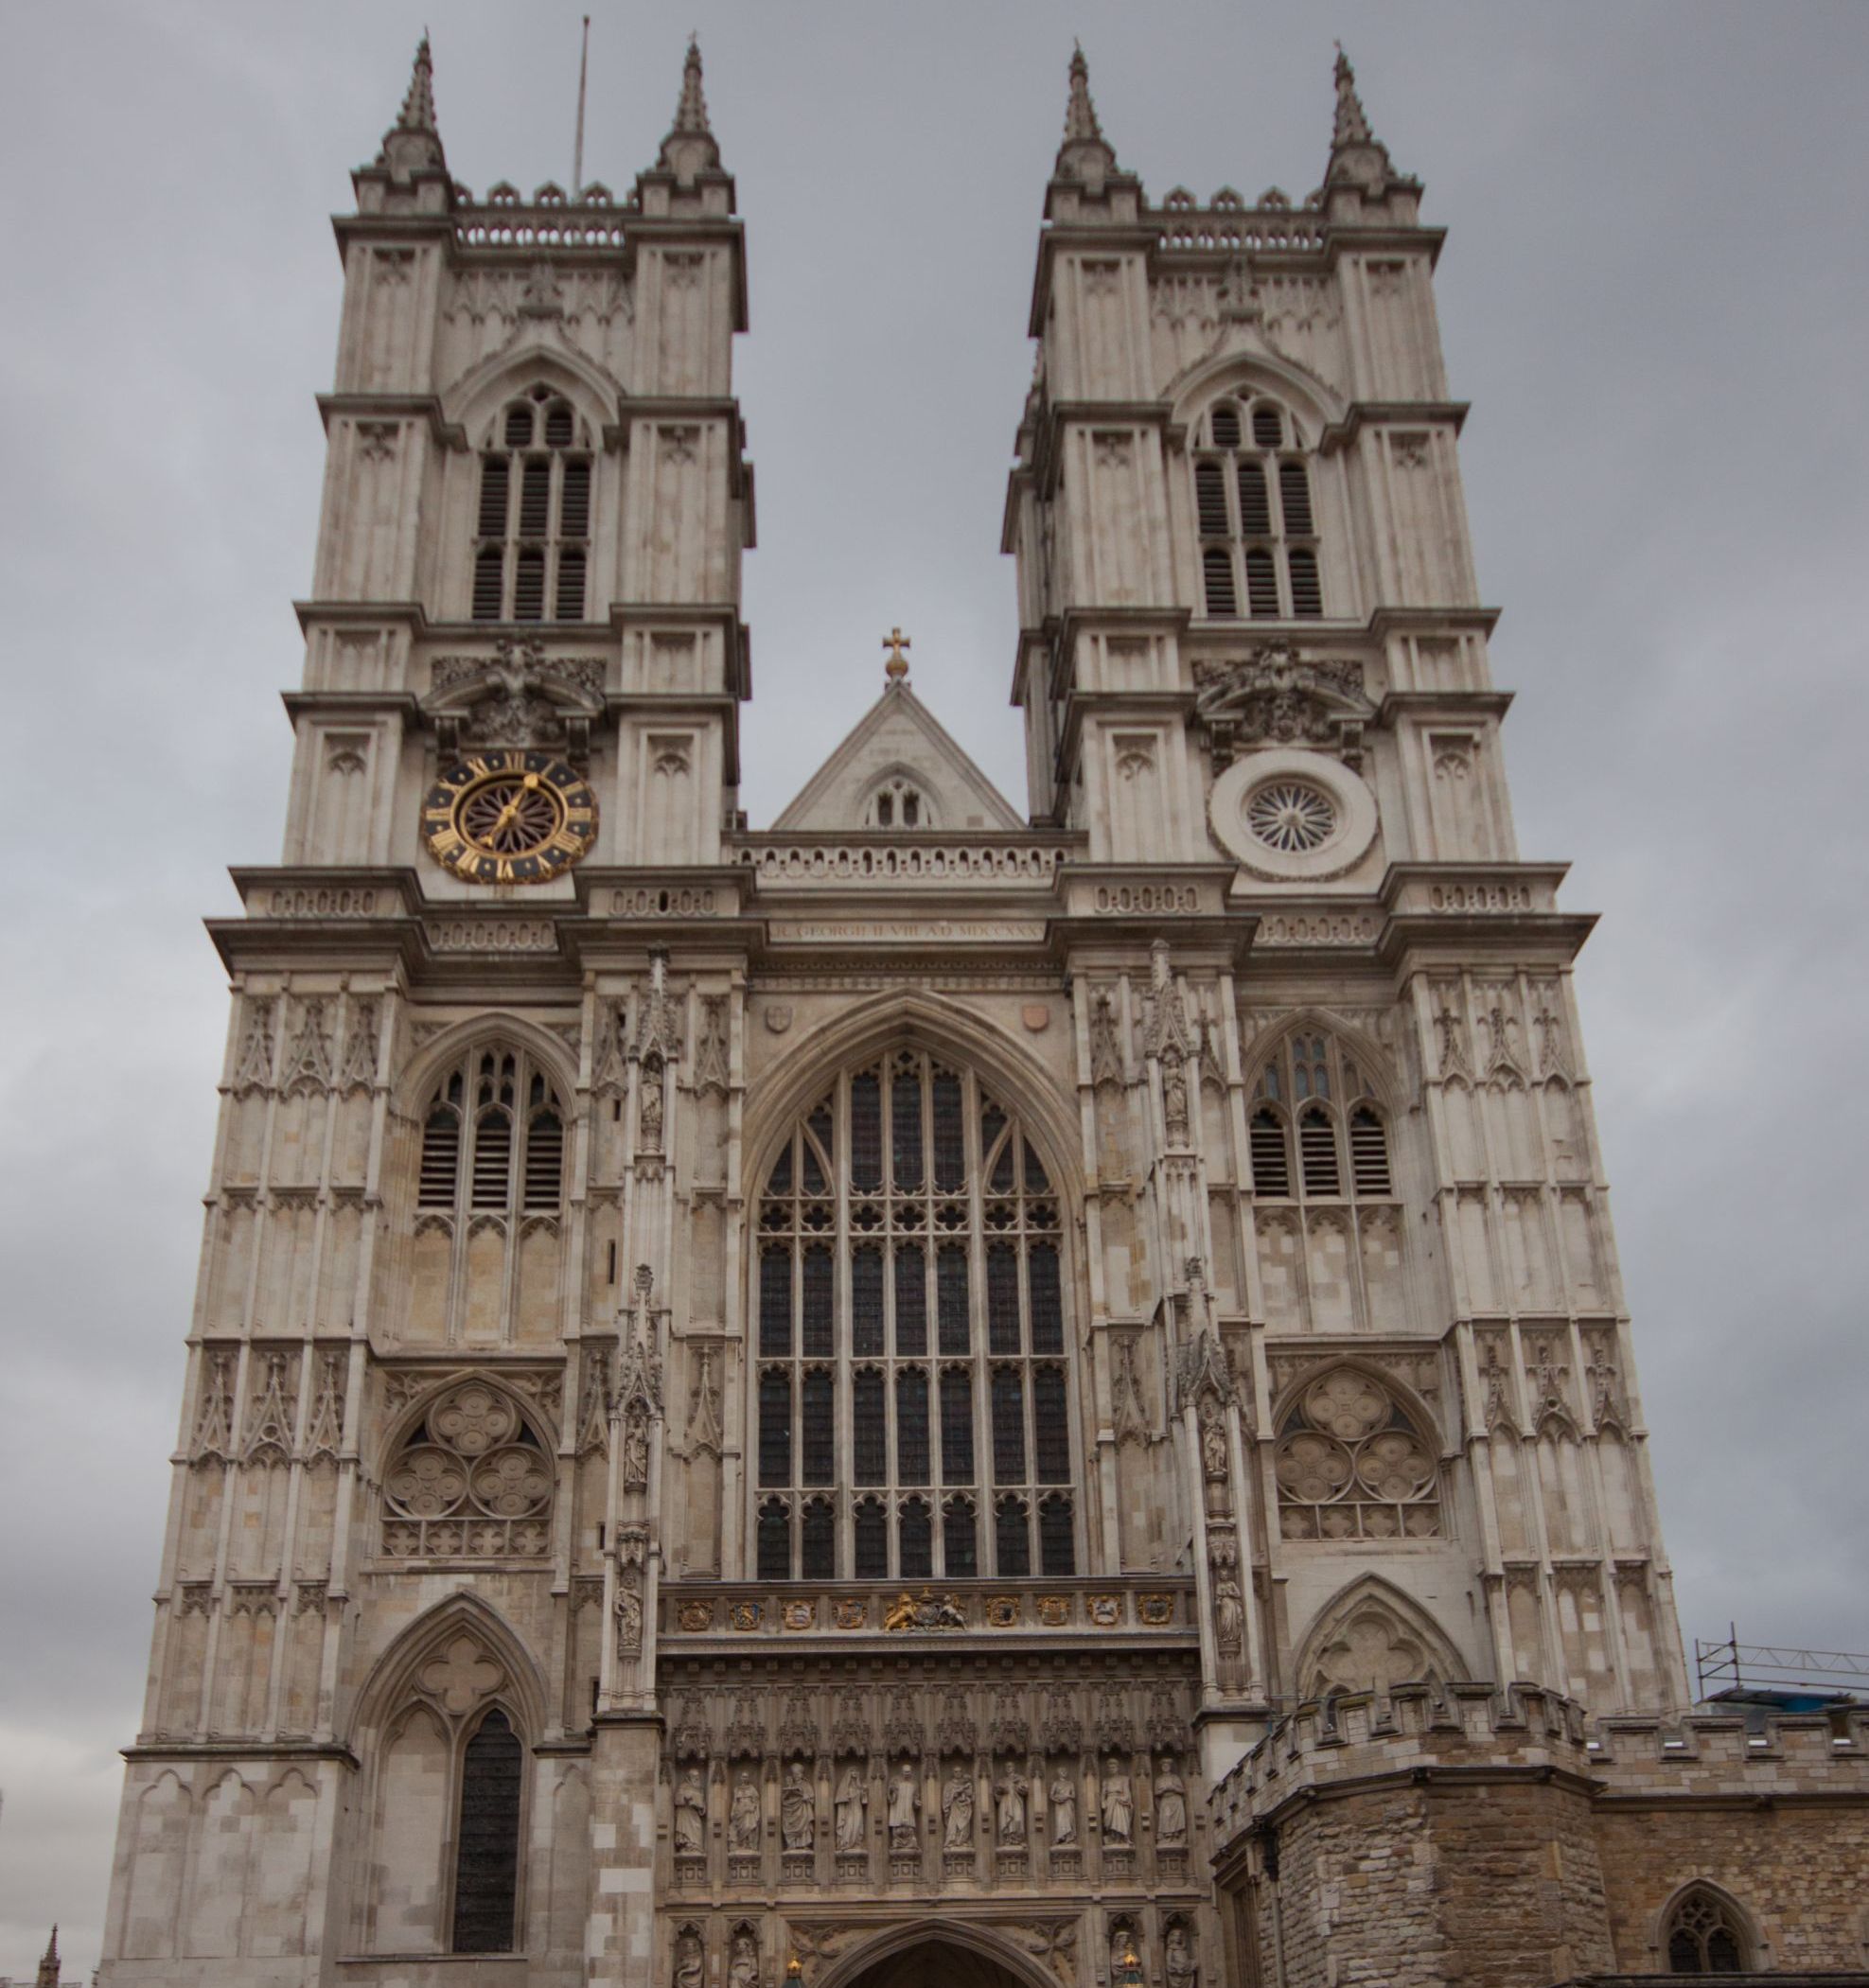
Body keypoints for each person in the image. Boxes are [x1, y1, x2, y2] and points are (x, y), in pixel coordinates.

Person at [780, 1760, 814, 1852]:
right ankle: (792, 1844)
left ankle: (804, 1844)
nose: (796, 1776)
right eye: (794, 1774)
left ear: (801, 1774)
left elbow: (811, 1797)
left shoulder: (806, 1785)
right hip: (792, 1810)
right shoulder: (791, 1785)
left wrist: (806, 1797)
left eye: (798, 1774)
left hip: (802, 1809)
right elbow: (784, 1799)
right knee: (790, 1823)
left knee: (804, 1826)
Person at [1154, 1754, 1188, 1844]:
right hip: (1165, 1800)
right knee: (1166, 1817)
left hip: (1176, 1800)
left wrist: (1173, 1788)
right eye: (1163, 1766)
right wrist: (1163, 1790)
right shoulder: (1159, 1779)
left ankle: (1176, 1835)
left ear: (1170, 1767)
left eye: (1167, 1765)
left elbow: (1182, 1790)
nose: (1165, 1767)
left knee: (1176, 1819)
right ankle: (1167, 1835)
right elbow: (1156, 1793)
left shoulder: (1175, 1778)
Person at [673, 1765, 705, 1855]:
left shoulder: (700, 1789)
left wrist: (698, 1804)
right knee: (687, 1830)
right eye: (694, 1776)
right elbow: (677, 1800)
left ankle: (695, 1847)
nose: (696, 1778)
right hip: (685, 1812)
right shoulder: (683, 1786)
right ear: (689, 1777)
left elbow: (703, 1807)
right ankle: (687, 1845)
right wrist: (685, 1798)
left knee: (697, 1827)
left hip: (694, 1813)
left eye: (697, 1777)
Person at [942, 1759, 975, 1850]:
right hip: (954, 1808)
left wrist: (968, 1792)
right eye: (956, 1772)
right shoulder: (949, 1784)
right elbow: (946, 1798)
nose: (958, 1773)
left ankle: (963, 1841)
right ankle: (953, 1841)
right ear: (953, 1773)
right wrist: (955, 1793)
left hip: (965, 1808)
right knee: (954, 1824)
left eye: (960, 1771)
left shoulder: (967, 1783)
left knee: (964, 1825)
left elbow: (971, 1796)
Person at [1100, 1755, 1133, 1844]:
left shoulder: (1124, 1779)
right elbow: (1103, 1794)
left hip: (1120, 1802)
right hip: (1110, 1801)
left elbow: (1127, 1793)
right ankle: (1113, 1838)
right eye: (1110, 1768)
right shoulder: (1106, 1780)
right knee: (1109, 1822)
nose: (1112, 1769)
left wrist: (1123, 1799)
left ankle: (1123, 1838)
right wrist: (1103, 1803)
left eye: (1113, 1767)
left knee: (1120, 1820)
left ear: (1117, 1768)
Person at [834, 1765, 867, 1853]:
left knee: (858, 1825)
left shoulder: (859, 1786)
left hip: (857, 1808)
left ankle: (856, 1843)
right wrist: (848, 1796)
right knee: (849, 1825)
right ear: (849, 1773)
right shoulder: (845, 1786)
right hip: (848, 1810)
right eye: (852, 1771)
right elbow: (841, 1798)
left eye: (856, 1771)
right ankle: (845, 1843)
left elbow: (864, 1801)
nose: (855, 1773)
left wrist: (863, 1793)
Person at [888, 1760, 919, 1848]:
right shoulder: (895, 1781)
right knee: (897, 1823)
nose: (907, 1774)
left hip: (908, 1809)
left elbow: (915, 1797)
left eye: (908, 1772)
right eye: (905, 1772)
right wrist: (893, 1792)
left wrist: (916, 1802)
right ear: (902, 1772)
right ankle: (897, 1841)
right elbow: (890, 1797)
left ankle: (909, 1841)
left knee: (909, 1823)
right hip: (898, 1809)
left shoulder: (914, 1783)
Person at [995, 1766, 1028, 1844]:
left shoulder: (1020, 1779)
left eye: (1010, 1766)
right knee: (1007, 1820)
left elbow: (1025, 1789)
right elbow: (996, 1792)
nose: (1009, 1768)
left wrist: (1018, 1787)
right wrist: (1001, 1789)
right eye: (1007, 1767)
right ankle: (1008, 1839)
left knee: (1017, 1819)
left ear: (1014, 1768)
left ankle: (1017, 1838)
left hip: (1016, 1801)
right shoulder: (1002, 1780)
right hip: (1006, 1802)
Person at [730, 1768, 761, 1851]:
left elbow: (756, 1800)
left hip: (749, 1810)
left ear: (748, 1778)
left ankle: (750, 1844)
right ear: (741, 1778)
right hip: (739, 1810)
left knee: (749, 1826)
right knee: (740, 1828)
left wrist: (753, 1806)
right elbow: (735, 1801)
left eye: (746, 1777)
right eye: (743, 1777)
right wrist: (732, 1811)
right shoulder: (737, 1789)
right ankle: (742, 1844)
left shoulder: (752, 1788)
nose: (744, 1778)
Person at [1049, 1767, 1077, 1845]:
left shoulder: (1070, 1783)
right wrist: (1058, 1800)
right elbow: (1051, 1795)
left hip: (1068, 1803)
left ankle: (1069, 1838)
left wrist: (1067, 1796)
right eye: (1061, 1771)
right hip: (1060, 1805)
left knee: (1069, 1820)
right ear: (1058, 1773)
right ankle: (1061, 1837)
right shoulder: (1056, 1783)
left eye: (1065, 1771)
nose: (1063, 1772)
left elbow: (1073, 1795)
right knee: (1060, 1820)